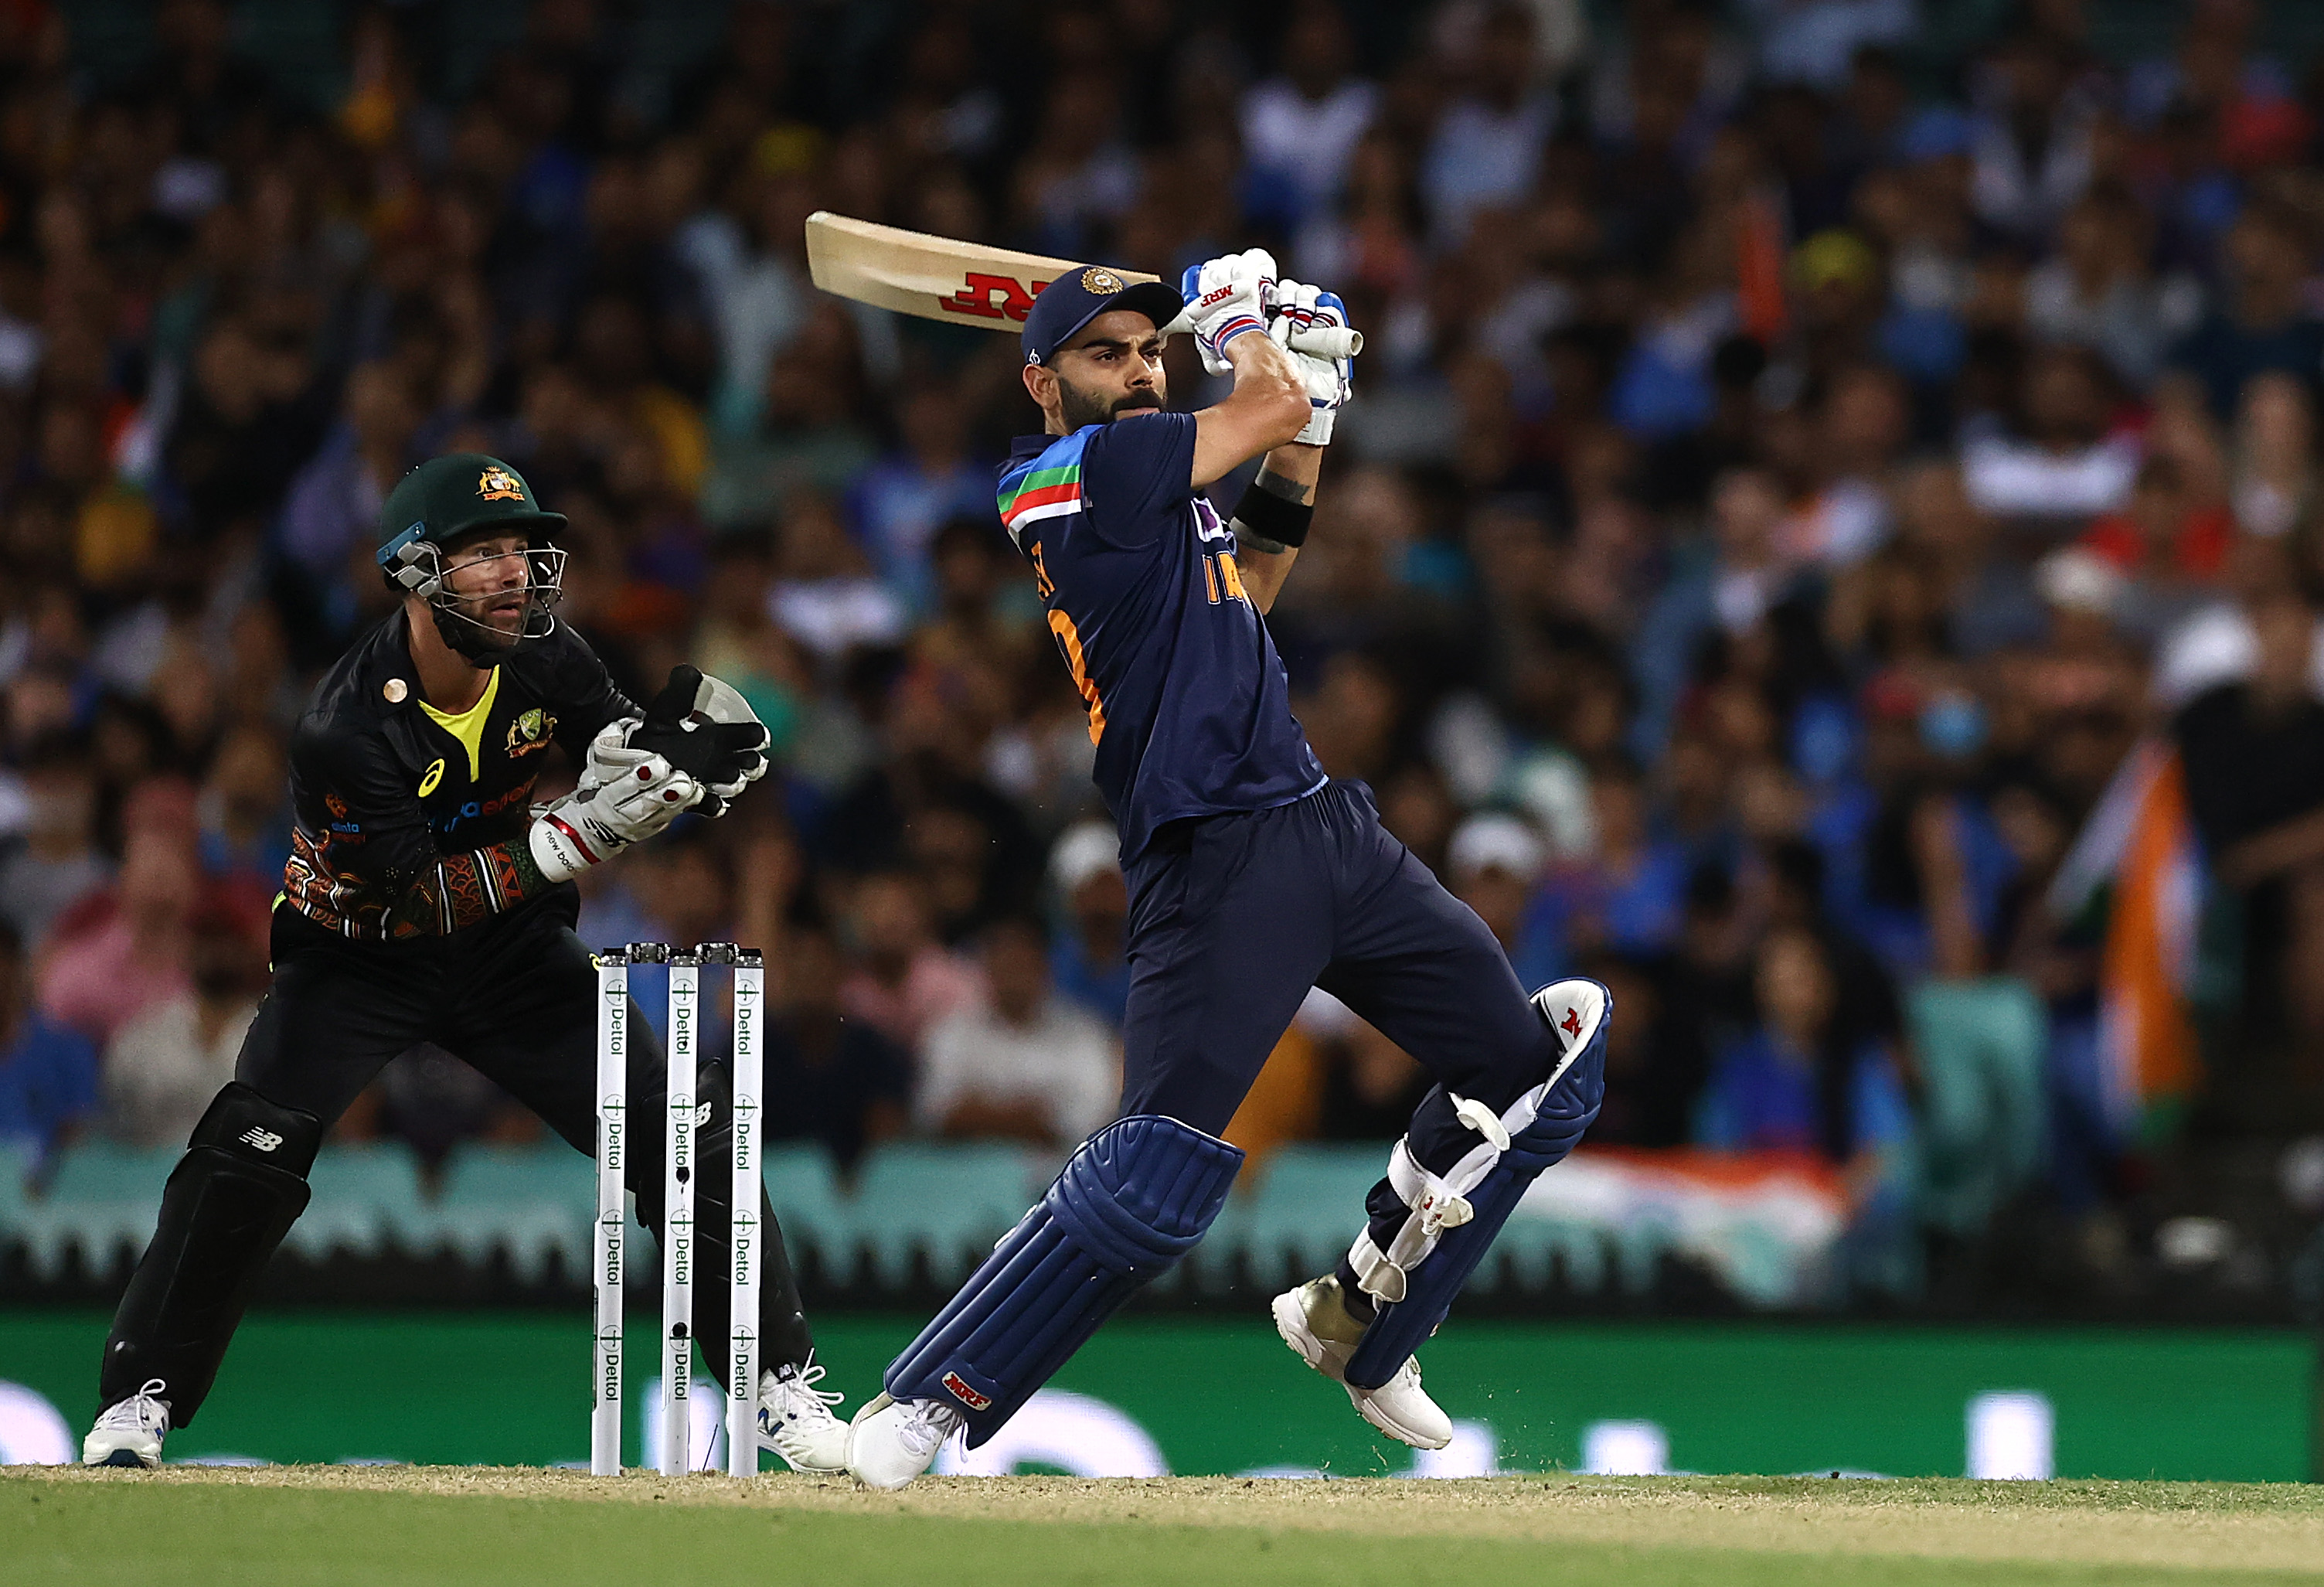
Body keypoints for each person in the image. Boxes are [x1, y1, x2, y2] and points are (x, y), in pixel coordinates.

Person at [844, 255, 1608, 1487]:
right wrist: (1256, 334)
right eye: (1108, 354)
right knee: (1158, 1174)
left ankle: (1363, 1316)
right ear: (1041, 380)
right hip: (1213, 855)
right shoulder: (1067, 474)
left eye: (1153, 348)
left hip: (1321, 825)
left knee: (1540, 1071)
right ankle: (928, 1402)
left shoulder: (1158, 487)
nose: (1141, 369)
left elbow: (1244, 580)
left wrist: (1304, 433)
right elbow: (1256, 409)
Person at [81, 453, 850, 1474]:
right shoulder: (345, 724)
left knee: (681, 1131)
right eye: (483, 552)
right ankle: (141, 1397)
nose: (514, 572)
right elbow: (415, 901)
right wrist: (574, 835)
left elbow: (614, 743)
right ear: (414, 572)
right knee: (247, 1153)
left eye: (522, 550)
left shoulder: (544, 652)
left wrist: (673, 767)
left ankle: (776, 1390)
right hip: (357, 957)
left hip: (512, 955)